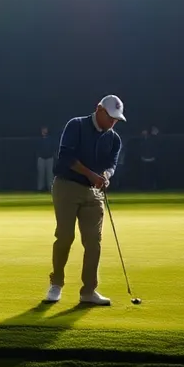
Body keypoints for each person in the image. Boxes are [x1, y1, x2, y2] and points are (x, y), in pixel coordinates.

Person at [44, 95, 126, 307]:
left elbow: (111, 164)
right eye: (110, 117)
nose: (113, 122)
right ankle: (57, 284)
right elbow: (66, 158)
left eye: (116, 119)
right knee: (65, 236)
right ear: (99, 109)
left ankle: (89, 290)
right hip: (67, 187)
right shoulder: (76, 125)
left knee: (93, 241)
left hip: (94, 193)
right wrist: (91, 175)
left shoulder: (114, 139)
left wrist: (106, 176)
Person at [36, 126, 57, 192]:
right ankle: (40, 188)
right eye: (43, 129)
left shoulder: (51, 139)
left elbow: (54, 148)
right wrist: (38, 156)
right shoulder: (39, 139)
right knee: (41, 174)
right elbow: (36, 149)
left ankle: (50, 188)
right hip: (41, 158)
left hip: (49, 158)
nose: (44, 131)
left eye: (45, 129)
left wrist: (53, 156)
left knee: (50, 174)